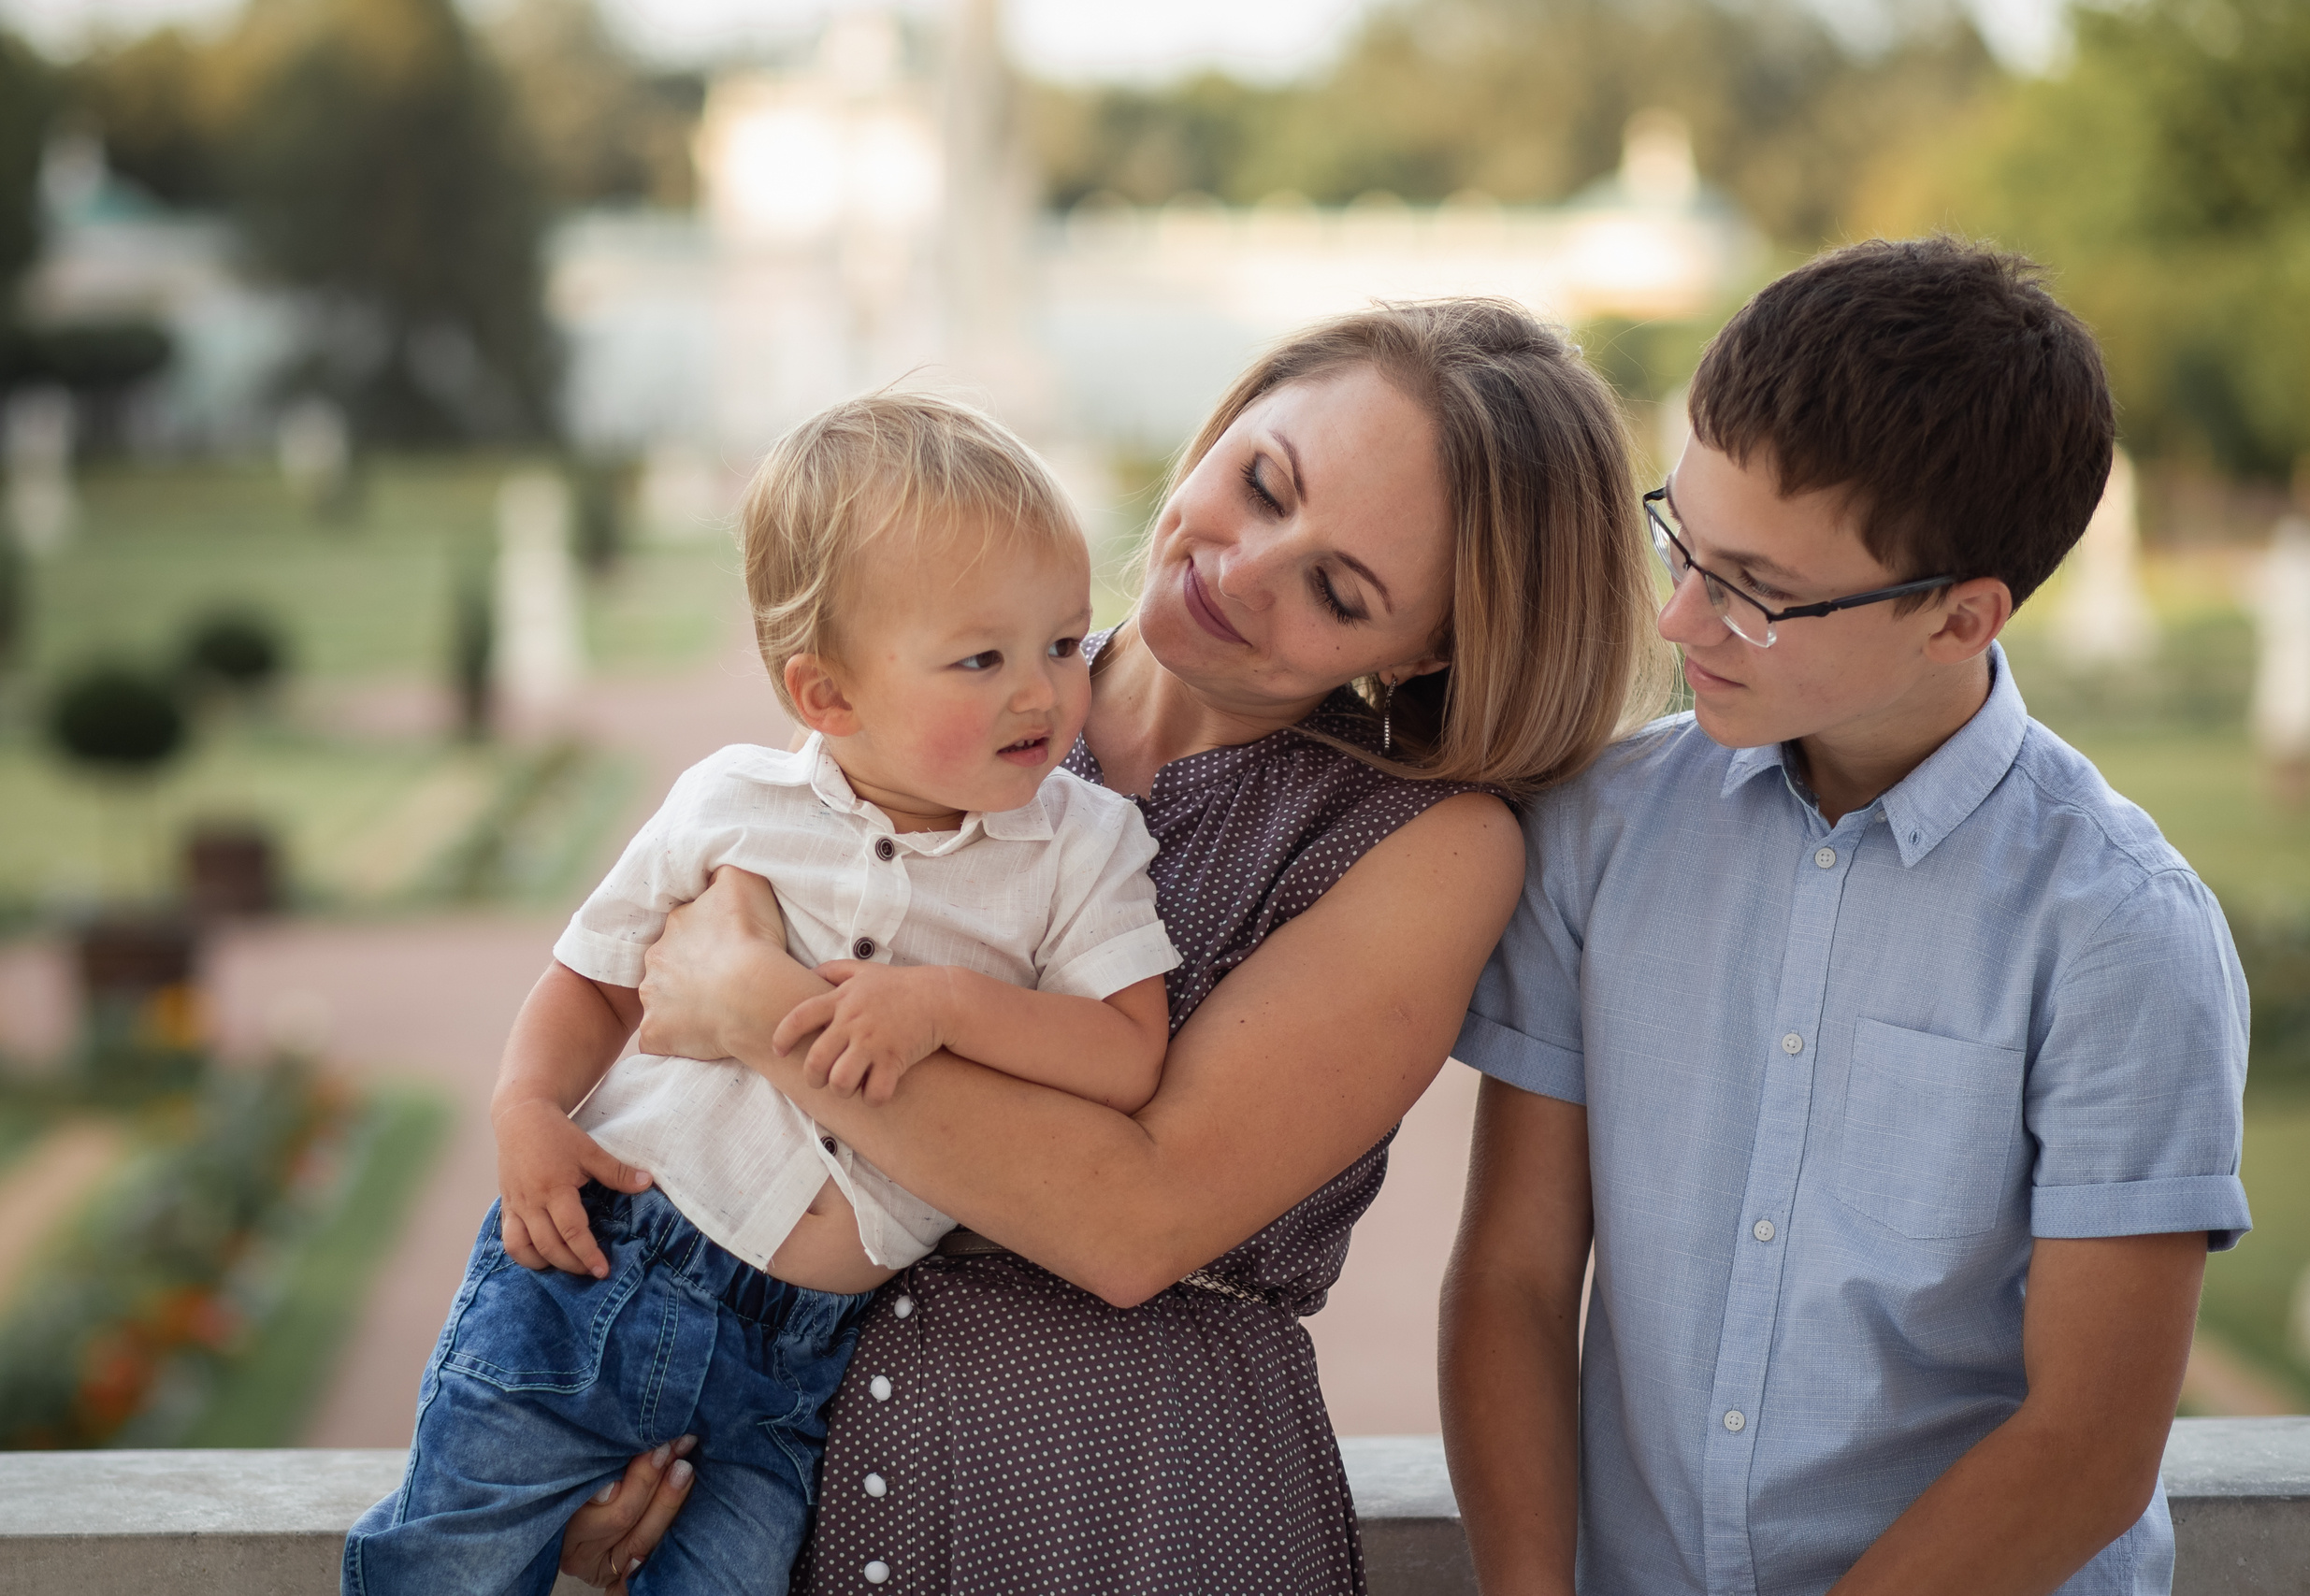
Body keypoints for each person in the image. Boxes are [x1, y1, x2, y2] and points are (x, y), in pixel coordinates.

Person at [542, 298, 1671, 1594]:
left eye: (1337, 588)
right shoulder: (945, 665)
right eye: (1262, 483)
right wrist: (571, 1433)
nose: (1241, 570)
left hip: (1139, 1515)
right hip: (769, 1461)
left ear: (1429, 649)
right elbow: (657, 1094)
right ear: (1229, 418)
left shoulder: (1426, 847)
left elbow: (1137, 1217)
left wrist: (761, 1007)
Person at [1441, 237, 2252, 1596]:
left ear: (1958, 617)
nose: (1678, 613)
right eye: (1683, 539)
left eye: (1754, 589)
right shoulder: (1601, 830)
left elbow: (2089, 1444)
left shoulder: (2121, 933)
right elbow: (1517, 1275)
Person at [345, 394, 1186, 1595]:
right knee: (447, 1559)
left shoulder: (1084, 844)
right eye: (981, 659)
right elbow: (593, 979)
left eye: (1064, 643)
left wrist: (946, 1005)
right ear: (826, 698)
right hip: (607, 1271)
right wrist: (527, 1109)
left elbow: (1126, 1052)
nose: (1043, 695)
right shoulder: (730, 803)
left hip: (800, 1361)